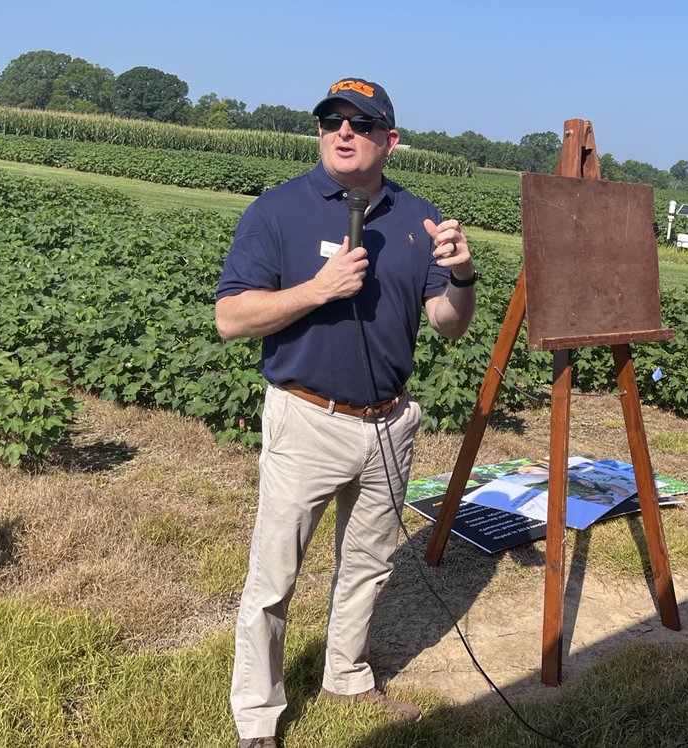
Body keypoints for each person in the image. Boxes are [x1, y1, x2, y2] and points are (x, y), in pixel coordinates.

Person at [215, 76, 477, 747]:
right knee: (274, 575)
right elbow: (230, 318)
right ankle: (257, 716)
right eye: (332, 121)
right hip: (307, 417)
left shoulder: (418, 217)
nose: (343, 133)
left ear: (389, 140)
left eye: (360, 125)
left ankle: (346, 677)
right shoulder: (277, 212)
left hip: (389, 423)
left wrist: (464, 277)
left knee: (369, 563)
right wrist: (317, 290)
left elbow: (448, 325)